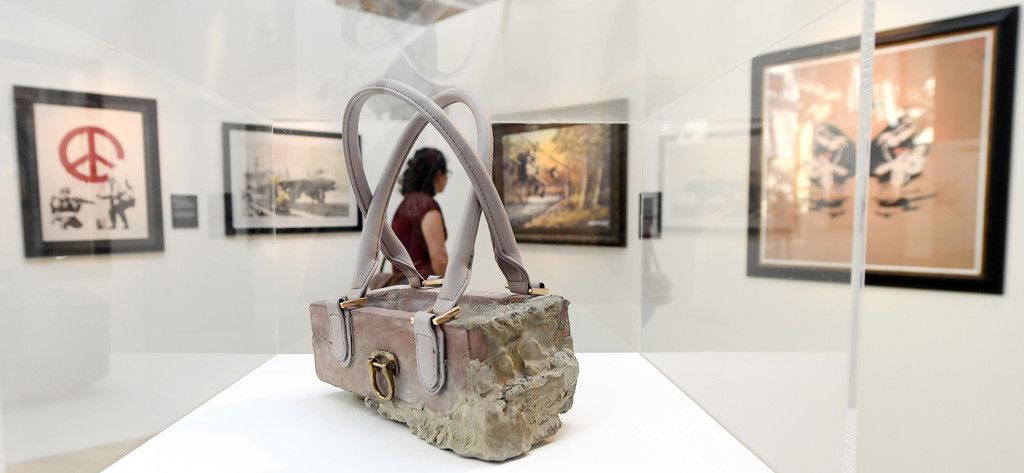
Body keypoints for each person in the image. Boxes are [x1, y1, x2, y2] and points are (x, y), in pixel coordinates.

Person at [391, 147, 450, 279]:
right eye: (446, 173)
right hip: (423, 284)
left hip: (404, 284)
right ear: (439, 174)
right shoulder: (427, 206)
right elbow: (440, 260)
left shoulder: (405, 204)